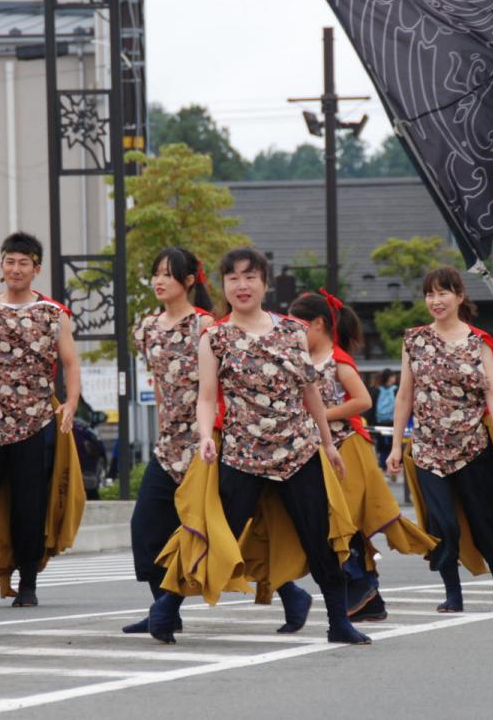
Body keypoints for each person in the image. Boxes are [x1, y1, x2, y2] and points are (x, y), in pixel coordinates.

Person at [151, 247, 370, 645]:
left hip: (298, 452)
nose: (242, 285)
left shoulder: (291, 331)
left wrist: (327, 443)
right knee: (213, 533)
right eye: (233, 278)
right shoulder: (214, 337)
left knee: (319, 536)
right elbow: (205, 397)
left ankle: (339, 622)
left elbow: (310, 393)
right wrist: (204, 437)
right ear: (223, 286)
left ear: (265, 283)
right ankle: (165, 609)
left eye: (250, 277)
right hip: (241, 454)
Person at [0, 232, 82, 609]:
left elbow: (71, 363)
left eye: (24, 263)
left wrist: (70, 402)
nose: (16, 269)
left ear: (36, 269)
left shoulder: (53, 315)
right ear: (1, 266)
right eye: (10, 261)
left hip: (35, 421)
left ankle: (27, 583)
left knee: (30, 505)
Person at [290, 289, 436, 622]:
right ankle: (368, 597)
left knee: (344, 522)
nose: (294, 334)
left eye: (300, 326)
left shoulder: (336, 359)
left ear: (318, 324)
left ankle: (360, 590)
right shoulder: (301, 360)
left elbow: (363, 401)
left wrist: (321, 414)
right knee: (335, 525)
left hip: (348, 447)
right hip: (321, 452)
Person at [386, 267, 493, 613]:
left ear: (460, 296)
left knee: (485, 520)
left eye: (443, 293)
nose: (436, 300)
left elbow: (492, 390)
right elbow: (404, 395)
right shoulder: (414, 340)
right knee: (441, 522)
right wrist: (396, 446)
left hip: (474, 446)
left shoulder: (479, 341)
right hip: (429, 447)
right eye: (430, 294)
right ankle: (452, 592)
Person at [123, 248, 213, 635]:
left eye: (168, 274)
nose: (159, 281)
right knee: (146, 526)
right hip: (168, 443)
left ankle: (292, 595)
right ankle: (163, 605)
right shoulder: (146, 328)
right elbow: (159, 383)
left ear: (189, 281)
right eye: (155, 274)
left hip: (204, 443)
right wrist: (163, 424)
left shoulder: (206, 326)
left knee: (213, 528)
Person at [373, 369, 397, 473]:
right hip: (393, 421)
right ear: (390, 377)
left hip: (379, 421)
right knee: (393, 444)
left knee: (381, 445)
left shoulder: (377, 390)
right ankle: (392, 465)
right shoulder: (396, 390)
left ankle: (383, 465)